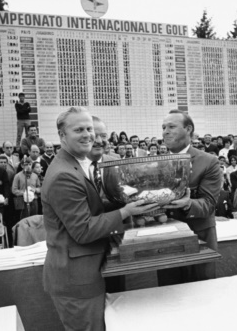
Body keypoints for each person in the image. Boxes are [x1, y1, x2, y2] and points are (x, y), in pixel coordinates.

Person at [41, 107, 158, 330]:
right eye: (78, 130)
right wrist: (126, 212)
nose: (87, 135)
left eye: (89, 129)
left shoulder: (76, 163)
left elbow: (90, 208)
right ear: (62, 135)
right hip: (76, 279)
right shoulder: (63, 174)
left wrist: (127, 200)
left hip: (88, 272)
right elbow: (83, 230)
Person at [159, 109, 222, 285]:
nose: (165, 131)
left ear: (188, 129)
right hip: (165, 242)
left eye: (171, 126)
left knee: (202, 292)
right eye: (163, 127)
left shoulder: (208, 161)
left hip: (199, 238)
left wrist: (188, 204)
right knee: (169, 294)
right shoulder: (155, 163)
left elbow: (209, 204)